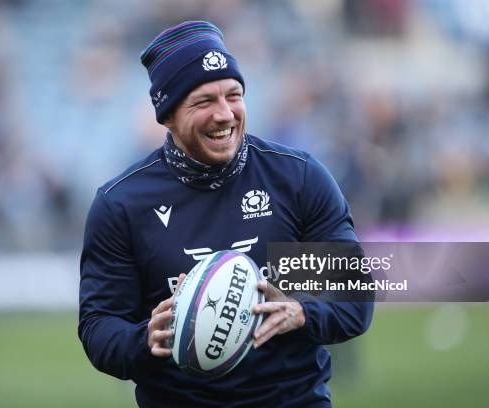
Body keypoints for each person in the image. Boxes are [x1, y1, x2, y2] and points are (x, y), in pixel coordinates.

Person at [79, 21, 373, 407]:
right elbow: (99, 325)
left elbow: (352, 300)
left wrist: (302, 312)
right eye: (203, 102)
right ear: (167, 115)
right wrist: (145, 339)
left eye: (233, 95)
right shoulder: (124, 204)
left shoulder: (294, 180)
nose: (225, 114)